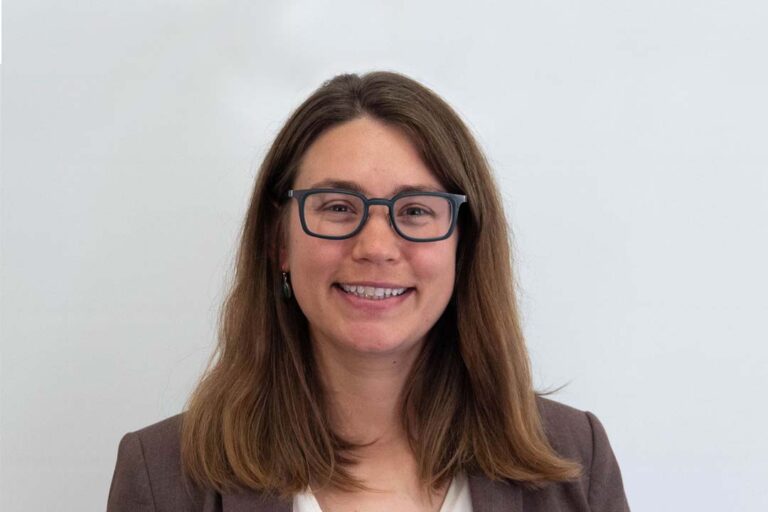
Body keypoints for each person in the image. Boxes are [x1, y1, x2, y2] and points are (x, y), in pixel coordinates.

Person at [107, 71, 630, 512]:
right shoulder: (164, 476)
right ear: (279, 242)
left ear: (463, 247)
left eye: (417, 211)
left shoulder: (575, 460)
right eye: (337, 206)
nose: (376, 246)